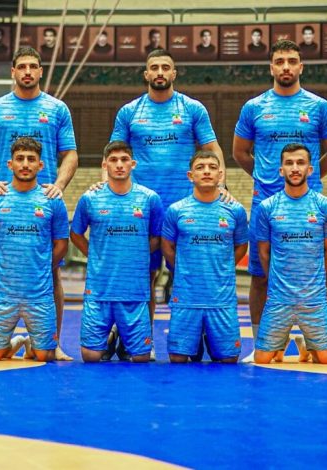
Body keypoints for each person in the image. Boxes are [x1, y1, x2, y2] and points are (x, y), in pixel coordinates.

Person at [110, 48, 226, 360]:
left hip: (185, 209)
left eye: (165, 67)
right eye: (154, 67)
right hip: (142, 210)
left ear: (174, 73)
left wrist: (221, 185)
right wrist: (107, 188)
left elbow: (212, 148)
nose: (160, 72)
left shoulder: (192, 109)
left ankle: (192, 339)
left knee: (189, 276)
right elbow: (115, 153)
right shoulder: (129, 112)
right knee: (142, 278)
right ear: (146, 74)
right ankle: (140, 341)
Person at [232, 39, 327, 363]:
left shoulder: (319, 106)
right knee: (260, 275)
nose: (285, 67)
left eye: (291, 61)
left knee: (315, 273)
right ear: (271, 67)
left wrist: (308, 178)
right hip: (265, 200)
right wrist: (268, 178)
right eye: (279, 61)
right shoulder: (254, 107)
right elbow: (240, 152)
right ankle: (261, 342)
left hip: (308, 202)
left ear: (300, 67)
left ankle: (314, 340)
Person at [0, 47, 78, 360]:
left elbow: (70, 153)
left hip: (43, 202)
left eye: (33, 66)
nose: (28, 71)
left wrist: (58, 186)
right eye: (22, 66)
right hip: (6, 202)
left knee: (52, 274)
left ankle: (51, 341)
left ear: (41, 71)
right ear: (13, 71)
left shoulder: (57, 108)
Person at [70, 141, 163, 363]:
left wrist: (139, 254)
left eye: (124, 160)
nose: (119, 165)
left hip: (134, 290)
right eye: (113, 160)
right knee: (90, 357)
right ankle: (111, 337)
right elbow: (76, 234)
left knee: (141, 358)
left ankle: (123, 336)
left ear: (133, 164)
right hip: (99, 289)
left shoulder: (150, 198)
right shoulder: (90, 198)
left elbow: (157, 237)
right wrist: (96, 255)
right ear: (105, 165)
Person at [0, 137, 69, 362]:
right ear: (10, 164)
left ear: (41, 165)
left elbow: (61, 244)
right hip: (3, 292)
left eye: (31, 159)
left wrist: (42, 267)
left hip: (39, 293)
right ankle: (17, 341)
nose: (25, 164)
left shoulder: (52, 200)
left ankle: (32, 344)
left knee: (45, 356)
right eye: (20, 159)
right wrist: (1, 268)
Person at [254, 143, 327, 365]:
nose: (294, 168)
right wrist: (276, 279)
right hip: (279, 297)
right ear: (281, 170)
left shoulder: (325, 206)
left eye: (300, 163)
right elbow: (264, 252)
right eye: (289, 163)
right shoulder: (267, 207)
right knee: (261, 360)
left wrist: (315, 275)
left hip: (313, 297)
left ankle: (306, 343)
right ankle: (280, 344)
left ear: (310, 169)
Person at [161, 151, 248, 363]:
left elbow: (241, 246)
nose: (206, 171)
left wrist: (223, 268)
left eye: (212, 167)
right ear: (190, 176)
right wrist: (183, 271)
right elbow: (167, 247)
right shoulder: (176, 210)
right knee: (178, 358)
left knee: (229, 359)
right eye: (200, 167)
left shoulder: (235, 210)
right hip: (186, 296)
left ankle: (208, 336)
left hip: (221, 297)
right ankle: (196, 338)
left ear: (220, 175)